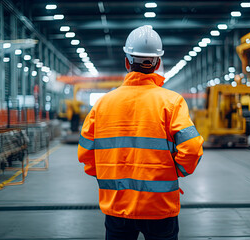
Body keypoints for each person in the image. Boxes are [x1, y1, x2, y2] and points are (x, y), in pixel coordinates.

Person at [78, 25, 204, 240]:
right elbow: (191, 148)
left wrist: (106, 174)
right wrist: (176, 171)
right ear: (158, 63)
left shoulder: (102, 104)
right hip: (159, 205)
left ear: (127, 61)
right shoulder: (172, 102)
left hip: (117, 204)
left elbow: (86, 152)